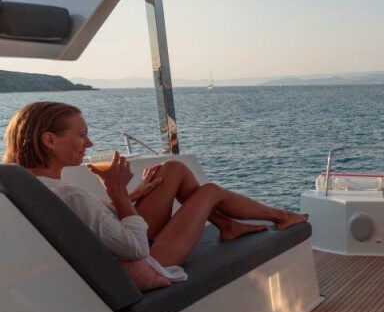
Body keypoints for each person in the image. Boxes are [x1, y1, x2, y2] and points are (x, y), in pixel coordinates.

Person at [3, 102, 308, 281]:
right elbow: (136, 249)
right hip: (147, 259)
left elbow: (94, 222)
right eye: (82, 135)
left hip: (120, 245)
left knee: (172, 170)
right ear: (49, 141)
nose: (90, 143)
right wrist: (118, 192)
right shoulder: (70, 195)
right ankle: (281, 216)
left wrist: (132, 195)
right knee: (210, 191)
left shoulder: (33, 186)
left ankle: (227, 225)